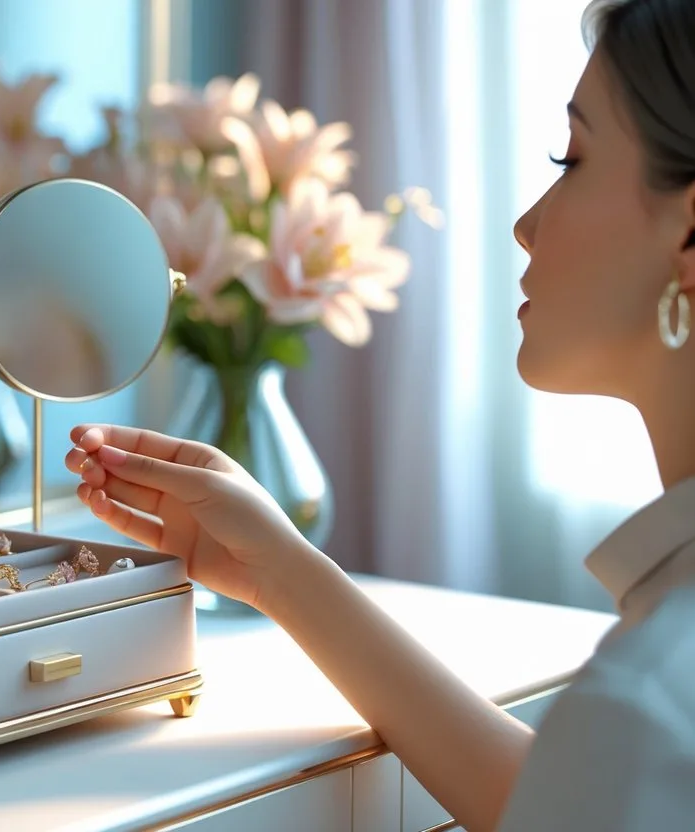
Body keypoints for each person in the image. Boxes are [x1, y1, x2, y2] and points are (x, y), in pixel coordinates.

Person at [65, 1, 695, 829]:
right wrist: (278, 571)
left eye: (569, 159)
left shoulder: (652, 696)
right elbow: (556, 803)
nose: (525, 224)